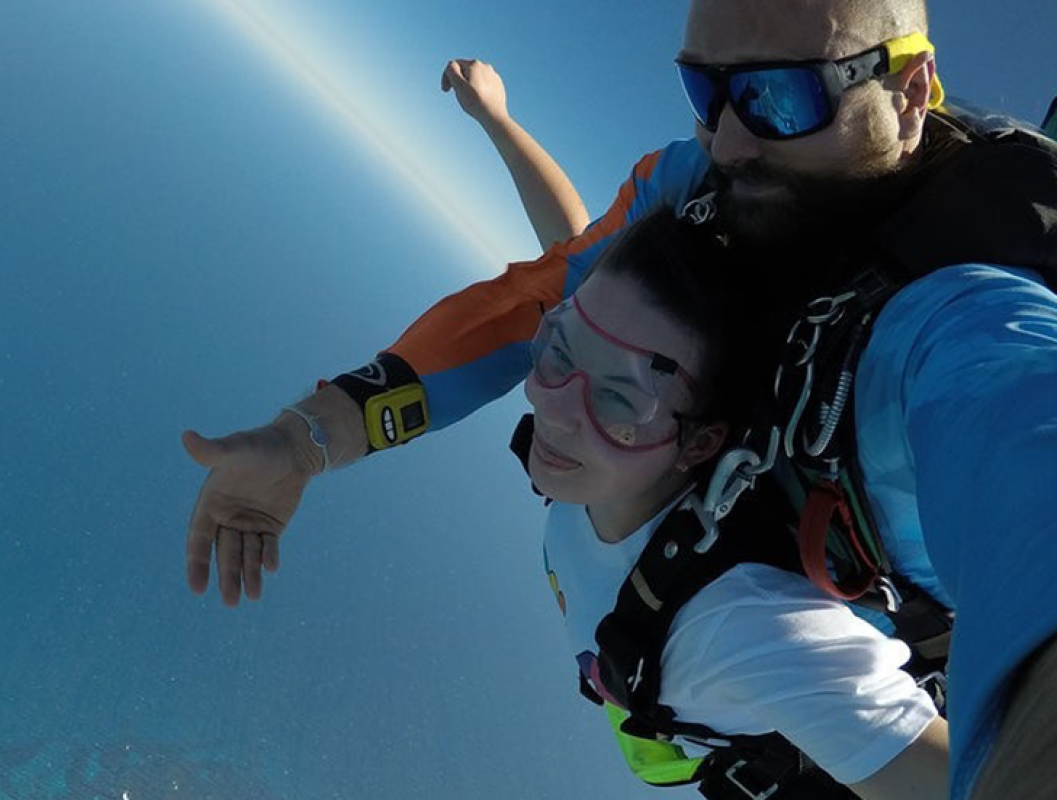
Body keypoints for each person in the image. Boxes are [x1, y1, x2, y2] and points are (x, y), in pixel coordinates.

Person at [181, 2, 1057, 797]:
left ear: (911, 92)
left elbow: (1025, 444)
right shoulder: (701, 189)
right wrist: (307, 440)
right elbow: (550, 284)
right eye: (702, 91)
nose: (728, 141)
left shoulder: (966, 324)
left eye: (778, 99)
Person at [520, 207, 948, 798]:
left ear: (700, 442)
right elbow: (575, 254)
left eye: (619, 401)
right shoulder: (594, 469)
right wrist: (497, 122)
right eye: (559, 353)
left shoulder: (740, 625)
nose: (554, 409)